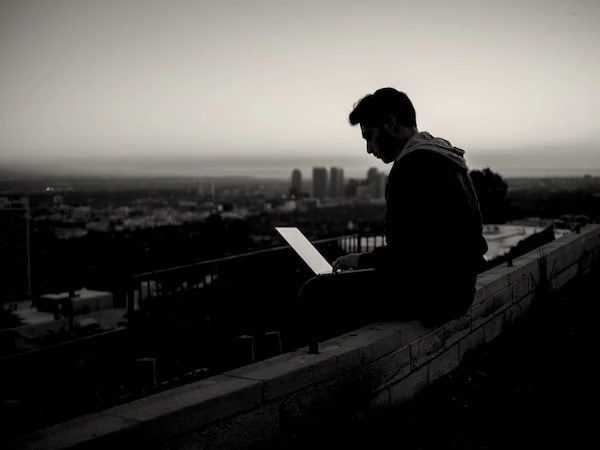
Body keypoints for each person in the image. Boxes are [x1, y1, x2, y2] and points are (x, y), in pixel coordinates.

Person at [332, 88, 488, 325]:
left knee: (318, 294)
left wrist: (360, 262)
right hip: (460, 291)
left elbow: (405, 255)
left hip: (431, 297)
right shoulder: (447, 158)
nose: (369, 149)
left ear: (390, 124)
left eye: (369, 137)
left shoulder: (411, 166)